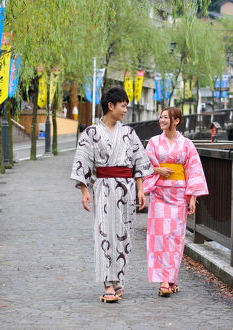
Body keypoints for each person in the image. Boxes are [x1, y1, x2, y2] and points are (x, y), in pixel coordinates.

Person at [70, 87, 152, 303]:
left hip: (127, 188)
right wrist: (84, 190)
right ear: (111, 106)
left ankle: (119, 281)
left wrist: (141, 189)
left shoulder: (129, 133)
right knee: (105, 232)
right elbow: (83, 161)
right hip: (104, 187)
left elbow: (139, 162)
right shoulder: (91, 133)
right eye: (123, 105)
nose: (125, 110)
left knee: (124, 234)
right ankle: (108, 282)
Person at [143, 107, 208, 297]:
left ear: (176, 120)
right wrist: (158, 171)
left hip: (179, 195)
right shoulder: (154, 142)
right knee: (159, 236)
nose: (161, 120)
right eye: (160, 117)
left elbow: (193, 170)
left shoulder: (187, 144)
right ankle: (164, 279)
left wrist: (193, 198)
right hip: (160, 194)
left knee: (175, 237)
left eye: (165, 117)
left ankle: (171, 278)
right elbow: (144, 165)